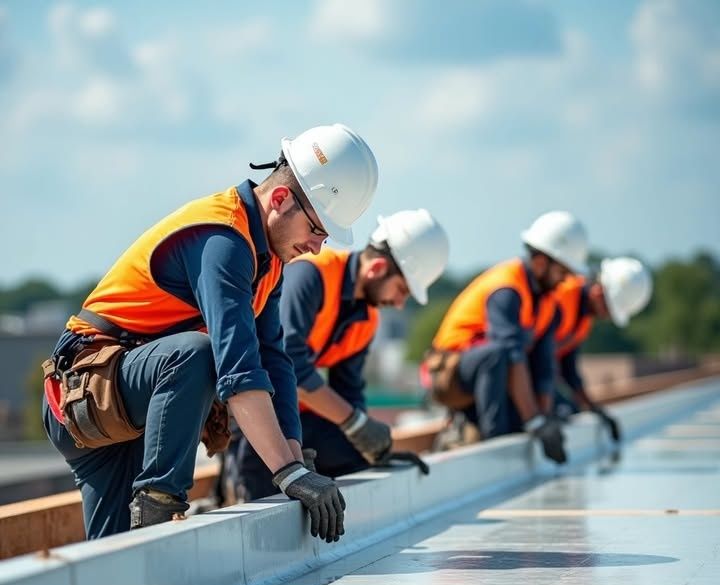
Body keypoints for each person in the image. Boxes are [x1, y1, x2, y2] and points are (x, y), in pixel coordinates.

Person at [42, 124, 379, 543]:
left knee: (111, 560)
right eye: (316, 230)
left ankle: (148, 520)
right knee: (196, 353)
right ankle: (160, 501)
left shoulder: (267, 263)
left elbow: (274, 360)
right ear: (279, 200)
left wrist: (297, 457)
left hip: (132, 402)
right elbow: (237, 369)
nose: (317, 248)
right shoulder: (223, 239)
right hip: (90, 392)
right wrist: (287, 473)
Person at [226, 209, 449, 500]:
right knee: (264, 498)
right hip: (253, 411)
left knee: (354, 460)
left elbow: (349, 392)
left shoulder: (367, 321)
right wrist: (357, 424)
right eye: (402, 290)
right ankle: (236, 484)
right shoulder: (311, 274)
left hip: (296, 417)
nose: (398, 303)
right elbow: (288, 366)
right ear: (377, 268)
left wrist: (373, 449)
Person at [426, 210, 589, 463]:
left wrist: (545, 420)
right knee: (498, 354)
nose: (566, 282)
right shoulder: (507, 288)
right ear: (540, 263)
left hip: (490, 376)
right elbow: (509, 354)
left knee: (525, 390)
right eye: (562, 272)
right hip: (449, 374)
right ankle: (494, 441)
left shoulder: (548, 303)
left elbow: (544, 367)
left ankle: (489, 428)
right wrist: (534, 421)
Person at [548, 257, 653, 441]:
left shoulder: (583, 319)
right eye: (608, 309)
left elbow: (569, 371)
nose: (606, 317)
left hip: (536, 378)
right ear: (598, 292)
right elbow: (534, 358)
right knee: (560, 409)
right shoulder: (562, 295)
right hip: (515, 377)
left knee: (571, 410)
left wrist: (594, 409)